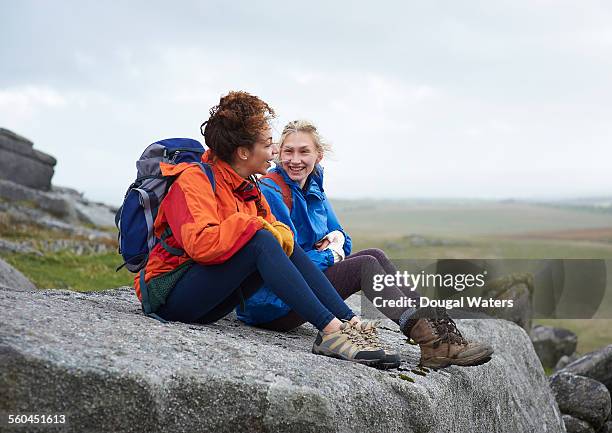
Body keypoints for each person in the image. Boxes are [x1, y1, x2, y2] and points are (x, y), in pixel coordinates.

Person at [134, 91, 392, 367]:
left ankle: (347, 322)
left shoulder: (247, 186)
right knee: (261, 239)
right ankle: (330, 332)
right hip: (170, 295)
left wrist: (270, 231)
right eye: (268, 145)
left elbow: (278, 231)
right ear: (244, 152)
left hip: (210, 300)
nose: (274, 152)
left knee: (276, 241)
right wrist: (255, 226)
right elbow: (202, 244)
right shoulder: (194, 181)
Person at [237, 119, 494, 368]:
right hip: (272, 303)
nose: (295, 160)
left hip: (305, 290)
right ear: (279, 153)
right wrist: (331, 255)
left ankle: (439, 331)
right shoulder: (272, 190)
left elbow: (342, 238)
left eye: (304, 151)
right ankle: (431, 342)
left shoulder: (314, 189)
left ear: (319, 155)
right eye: (288, 151)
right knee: (365, 266)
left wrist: (336, 243)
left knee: (375, 254)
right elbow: (290, 261)